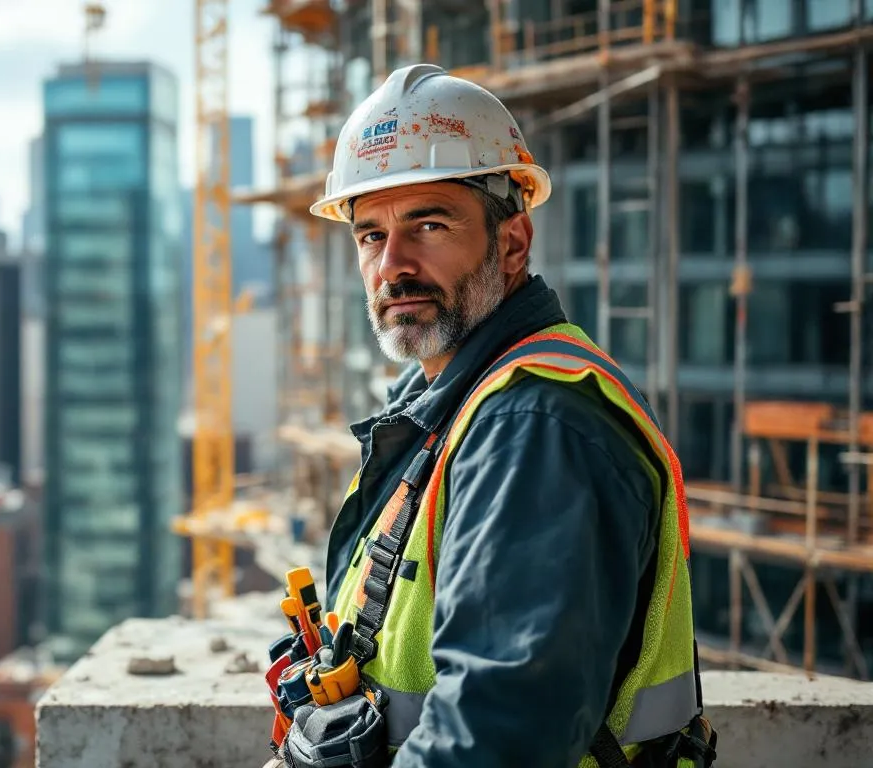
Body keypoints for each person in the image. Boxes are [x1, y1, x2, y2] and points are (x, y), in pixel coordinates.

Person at [271, 64, 716, 768]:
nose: (393, 265)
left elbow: (495, 737)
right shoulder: (457, 401)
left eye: (430, 223)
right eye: (369, 235)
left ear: (511, 243)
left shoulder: (536, 429)